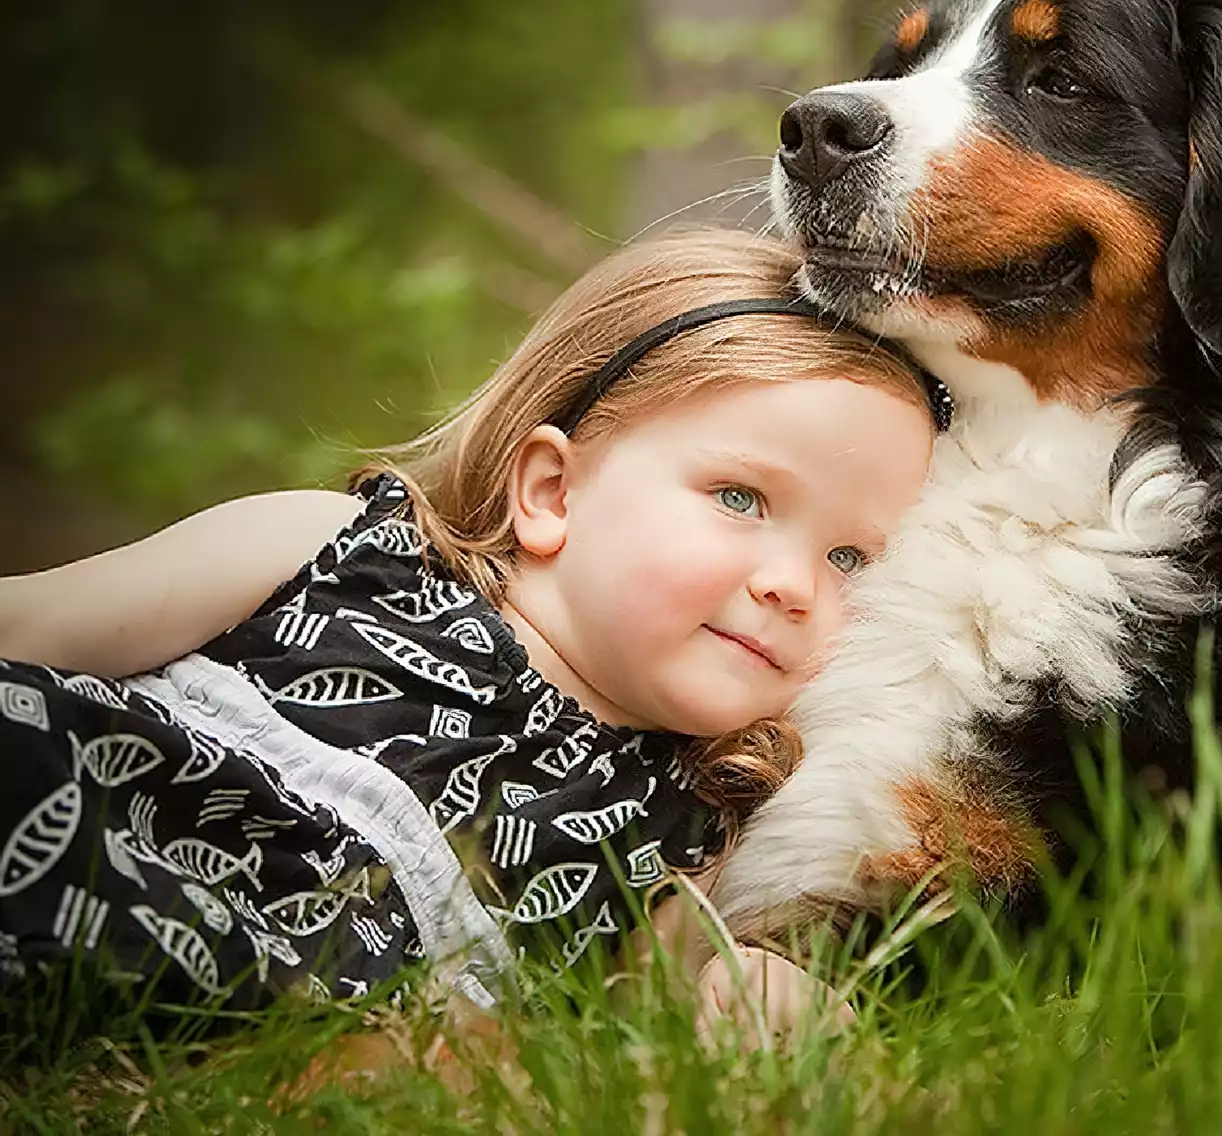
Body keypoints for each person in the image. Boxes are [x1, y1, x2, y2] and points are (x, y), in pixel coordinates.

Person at [0, 229, 943, 1048]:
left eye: (855, 557)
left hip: (274, 1018)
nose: (793, 584)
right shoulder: (333, 555)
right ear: (550, 492)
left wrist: (771, 994)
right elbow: (32, 626)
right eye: (740, 499)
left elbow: (682, 1009)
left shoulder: (692, 832)